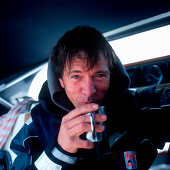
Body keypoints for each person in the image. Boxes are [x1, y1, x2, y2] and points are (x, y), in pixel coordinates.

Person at [10, 26, 170, 169]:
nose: (89, 91)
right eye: (76, 76)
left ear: (110, 76)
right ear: (61, 82)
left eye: (99, 75)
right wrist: (59, 152)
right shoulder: (36, 126)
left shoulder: (137, 104)